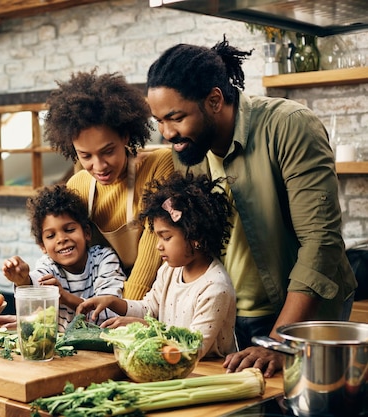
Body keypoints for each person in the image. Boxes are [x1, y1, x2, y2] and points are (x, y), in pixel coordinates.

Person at [145, 36, 357, 376]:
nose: (166, 132)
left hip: (301, 313)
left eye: (175, 117)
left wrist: (277, 341)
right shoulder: (188, 148)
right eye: (159, 120)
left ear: (214, 100)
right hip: (232, 311)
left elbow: (321, 243)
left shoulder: (289, 126)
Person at [44, 69, 174, 301]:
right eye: (85, 156)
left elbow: (152, 249)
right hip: (102, 299)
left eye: (108, 151)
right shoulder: (78, 185)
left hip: (156, 297)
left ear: (125, 136)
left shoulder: (158, 166)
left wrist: (125, 312)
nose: (99, 166)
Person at [77, 172, 237, 358]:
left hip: (208, 372)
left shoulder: (215, 287)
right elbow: (149, 309)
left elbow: (194, 347)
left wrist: (147, 329)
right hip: (172, 365)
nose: (158, 246)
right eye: (158, 236)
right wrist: (113, 302)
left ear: (196, 237)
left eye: (166, 237)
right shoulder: (169, 270)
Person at [2, 184, 126, 332]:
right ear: (43, 246)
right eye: (51, 236)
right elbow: (34, 288)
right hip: (63, 348)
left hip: (102, 346)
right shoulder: (48, 265)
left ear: (86, 232)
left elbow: (110, 313)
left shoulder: (104, 259)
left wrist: (64, 297)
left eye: (69, 230)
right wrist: (22, 280)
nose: (61, 239)